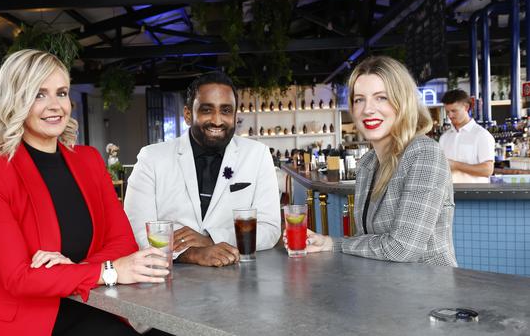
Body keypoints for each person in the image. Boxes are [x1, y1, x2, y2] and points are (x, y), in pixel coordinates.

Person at [0, 49, 169, 336]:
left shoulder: (88, 160)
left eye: (61, 93)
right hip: (17, 322)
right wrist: (108, 271)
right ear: (16, 101)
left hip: (87, 307)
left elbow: (123, 244)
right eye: (39, 94)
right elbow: (19, 278)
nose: (56, 106)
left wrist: (74, 268)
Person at [287, 56, 457, 266]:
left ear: (403, 102)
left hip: (428, 291)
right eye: (359, 99)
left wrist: (336, 244)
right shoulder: (368, 163)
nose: (367, 109)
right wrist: (327, 243)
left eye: (381, 97)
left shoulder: (424, 153)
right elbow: (367, 237)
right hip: (383, 288)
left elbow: (403, 248)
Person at [124, 71, 281, 267]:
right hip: (169, 281)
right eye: (207, 110)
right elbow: (135, 231)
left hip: (237, 281)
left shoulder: (258, 155)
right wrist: (191, 253)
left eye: (225, 110)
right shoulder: (152, 158)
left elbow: (270, 229)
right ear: (188, 115)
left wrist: (211, 240)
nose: (217, 120)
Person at [439, 89, 495, 183]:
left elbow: (488, 170)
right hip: (448, 195)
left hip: (474, 195)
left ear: (466, 107)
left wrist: (456, 165)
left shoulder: (482, 135)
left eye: (454, 111)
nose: (450, 115)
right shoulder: (444, 138)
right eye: (447, 112)